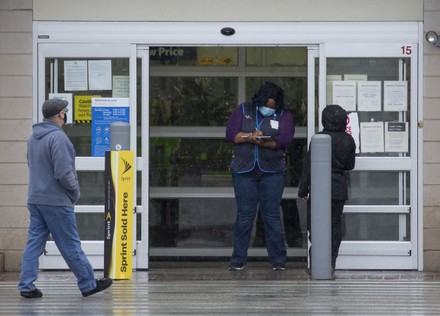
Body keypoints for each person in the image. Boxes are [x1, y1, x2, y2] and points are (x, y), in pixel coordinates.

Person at [18, 99, 112, 298]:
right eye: (65, 111)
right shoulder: (58, 138)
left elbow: (31, 164)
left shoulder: (32, 138)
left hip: (36, 199)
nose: (66, 114)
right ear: (60, 114)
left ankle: (26, 285)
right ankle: (88, 284)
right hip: (56, 200)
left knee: (34, 243)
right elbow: (64, 172)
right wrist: (75, 192)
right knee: (70, 243)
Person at [225, 82, 295, 271]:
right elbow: (231, 134)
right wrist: (250, 137)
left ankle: (278, 260)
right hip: (244, 172)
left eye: (273, 106)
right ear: (260, 101)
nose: (269, 109)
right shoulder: (243, 110)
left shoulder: (284, 115)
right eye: (266, 105)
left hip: (272, 173)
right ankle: (238, 259)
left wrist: (262, 142)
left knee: (271, 216)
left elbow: (284, 140)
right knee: (245, 215)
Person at [297, 104, 356, 274]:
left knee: (315, 225)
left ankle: (315, 263)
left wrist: (303, 190)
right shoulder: (348, 140)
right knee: (335, 226)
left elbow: (308, 167)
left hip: (318, 188)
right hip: (338, 187)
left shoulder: (318, 138)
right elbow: (350, 165)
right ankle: (331, 263)